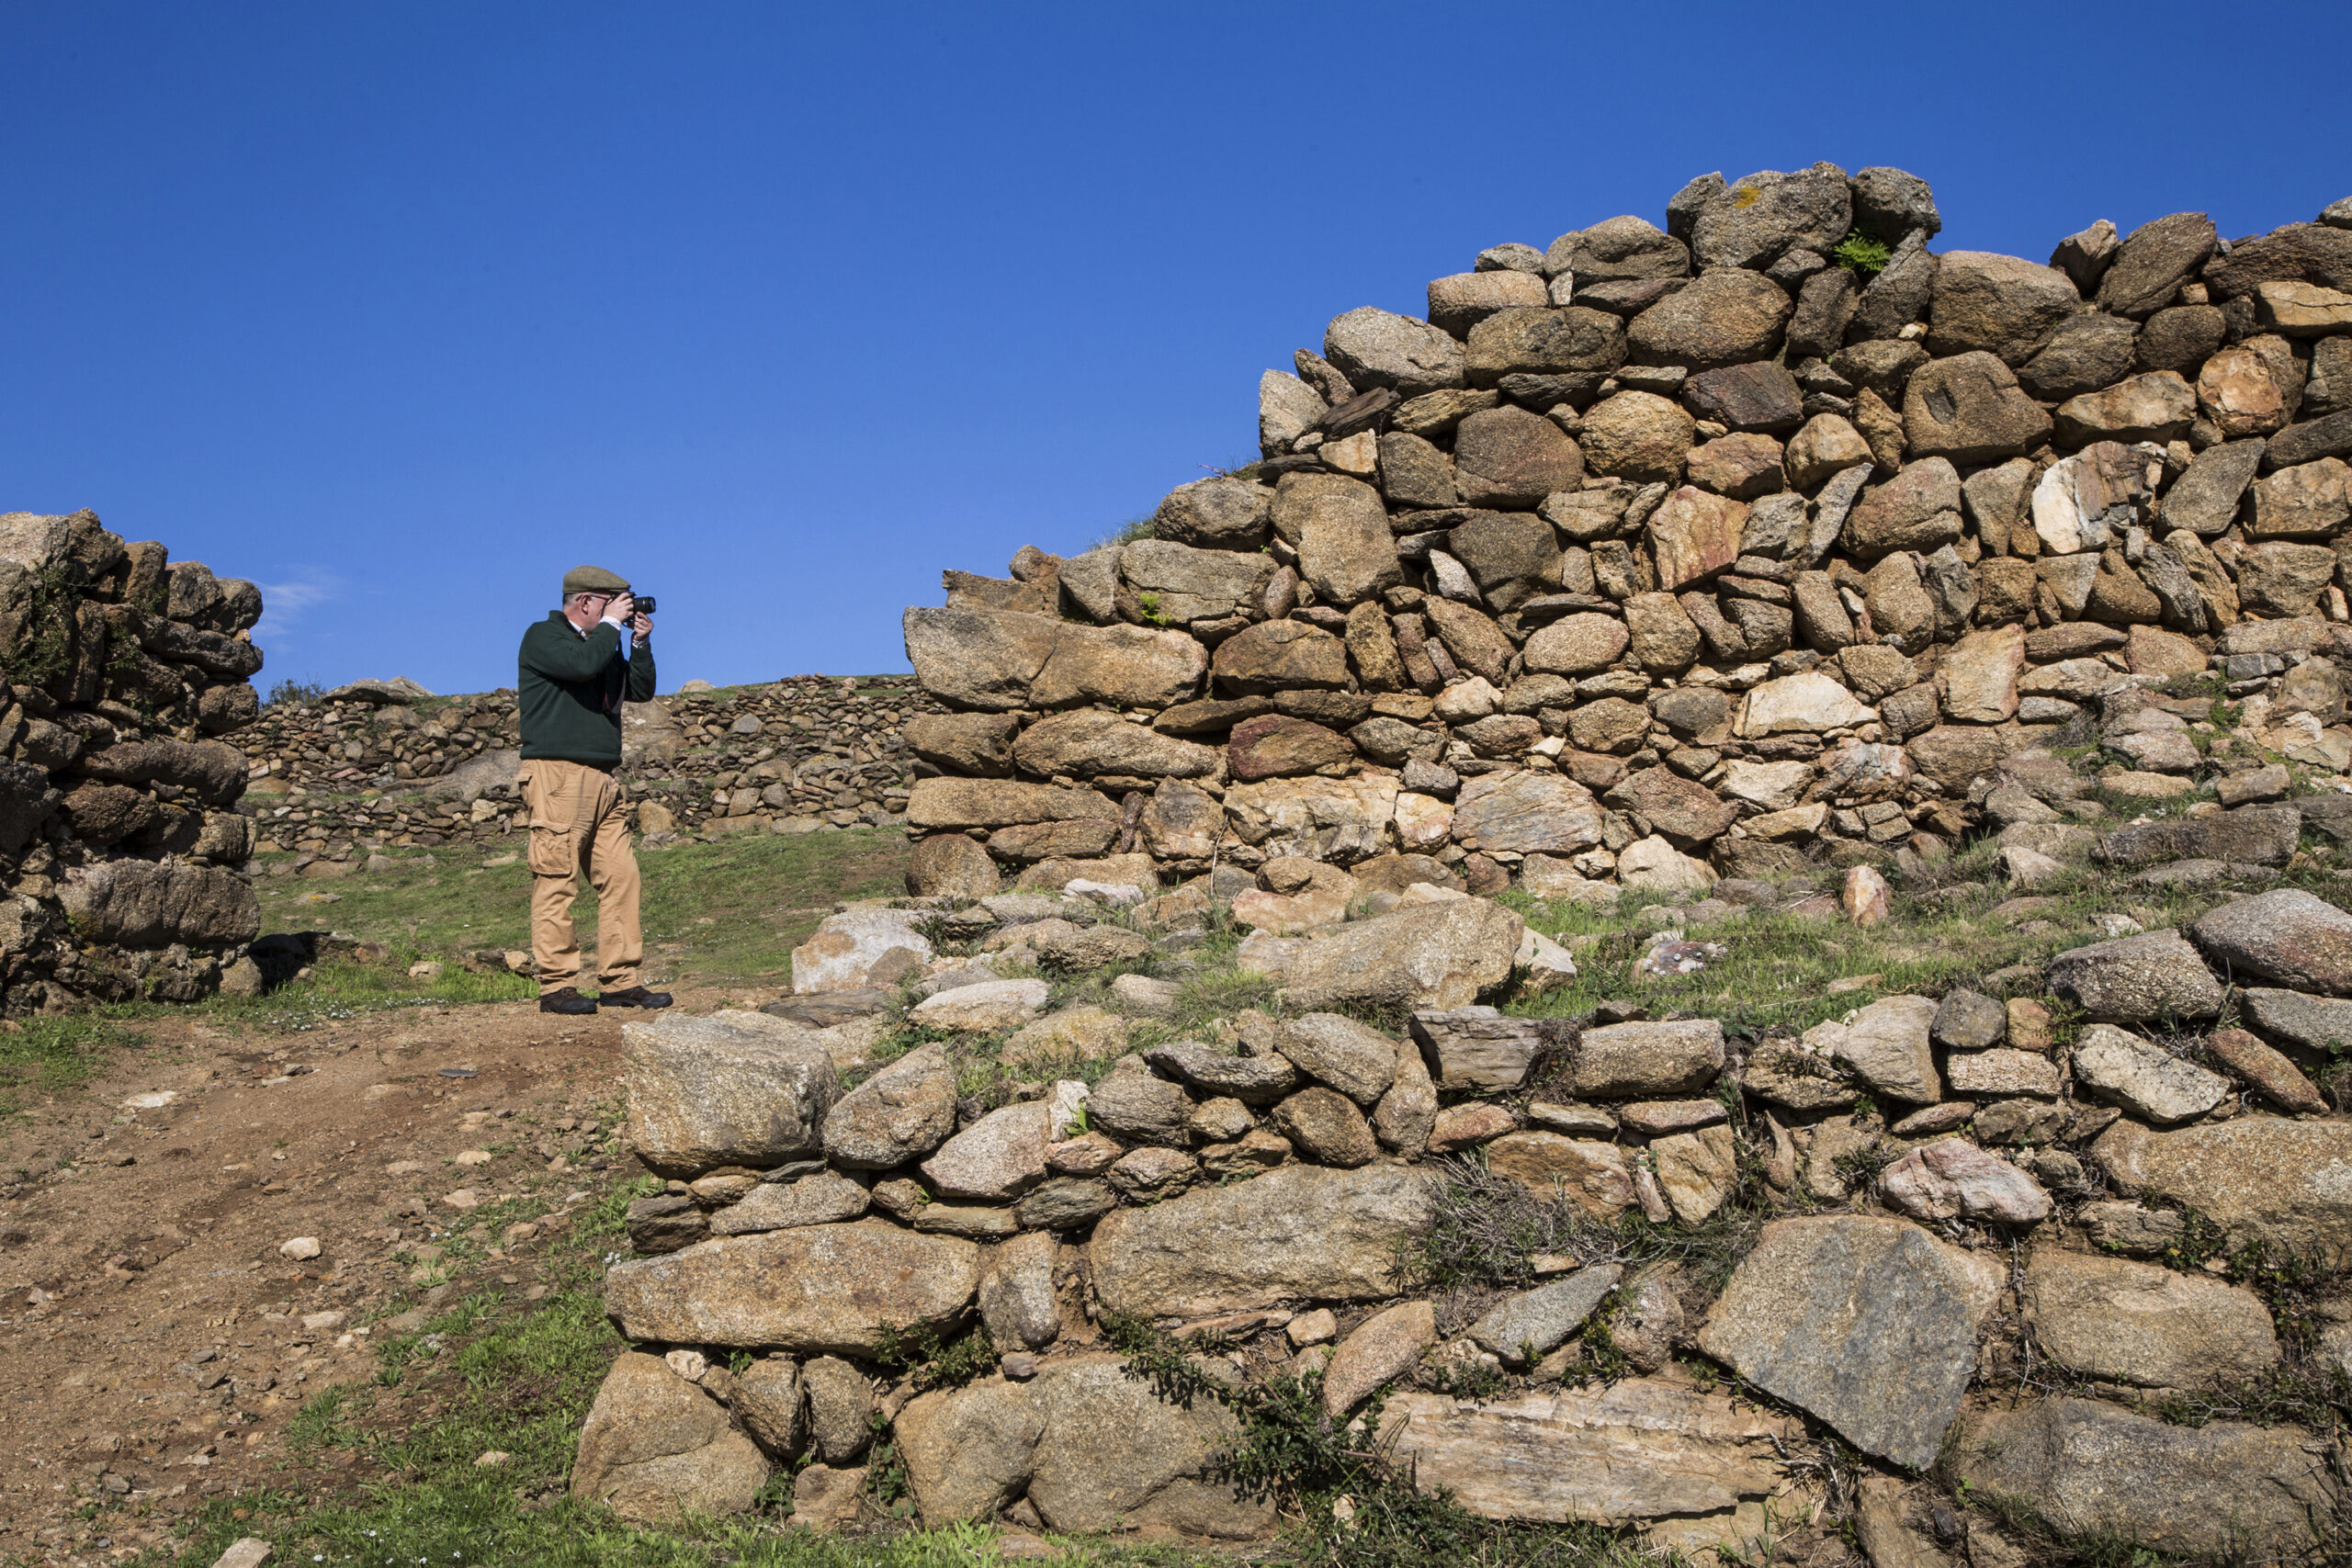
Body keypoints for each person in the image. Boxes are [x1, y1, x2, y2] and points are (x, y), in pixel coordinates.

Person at [515, 565, 672, 1015]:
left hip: (604, 780)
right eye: (612, 602)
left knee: (622, 878)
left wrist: (638, 642)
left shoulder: (602, 644)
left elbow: (639, 690)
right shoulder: (544, 637)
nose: (621, 611)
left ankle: (620, 981)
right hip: (558, 776)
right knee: (557, 881)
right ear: (585, 601)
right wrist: (609, 628)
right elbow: (580, 667)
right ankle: (557, 987)